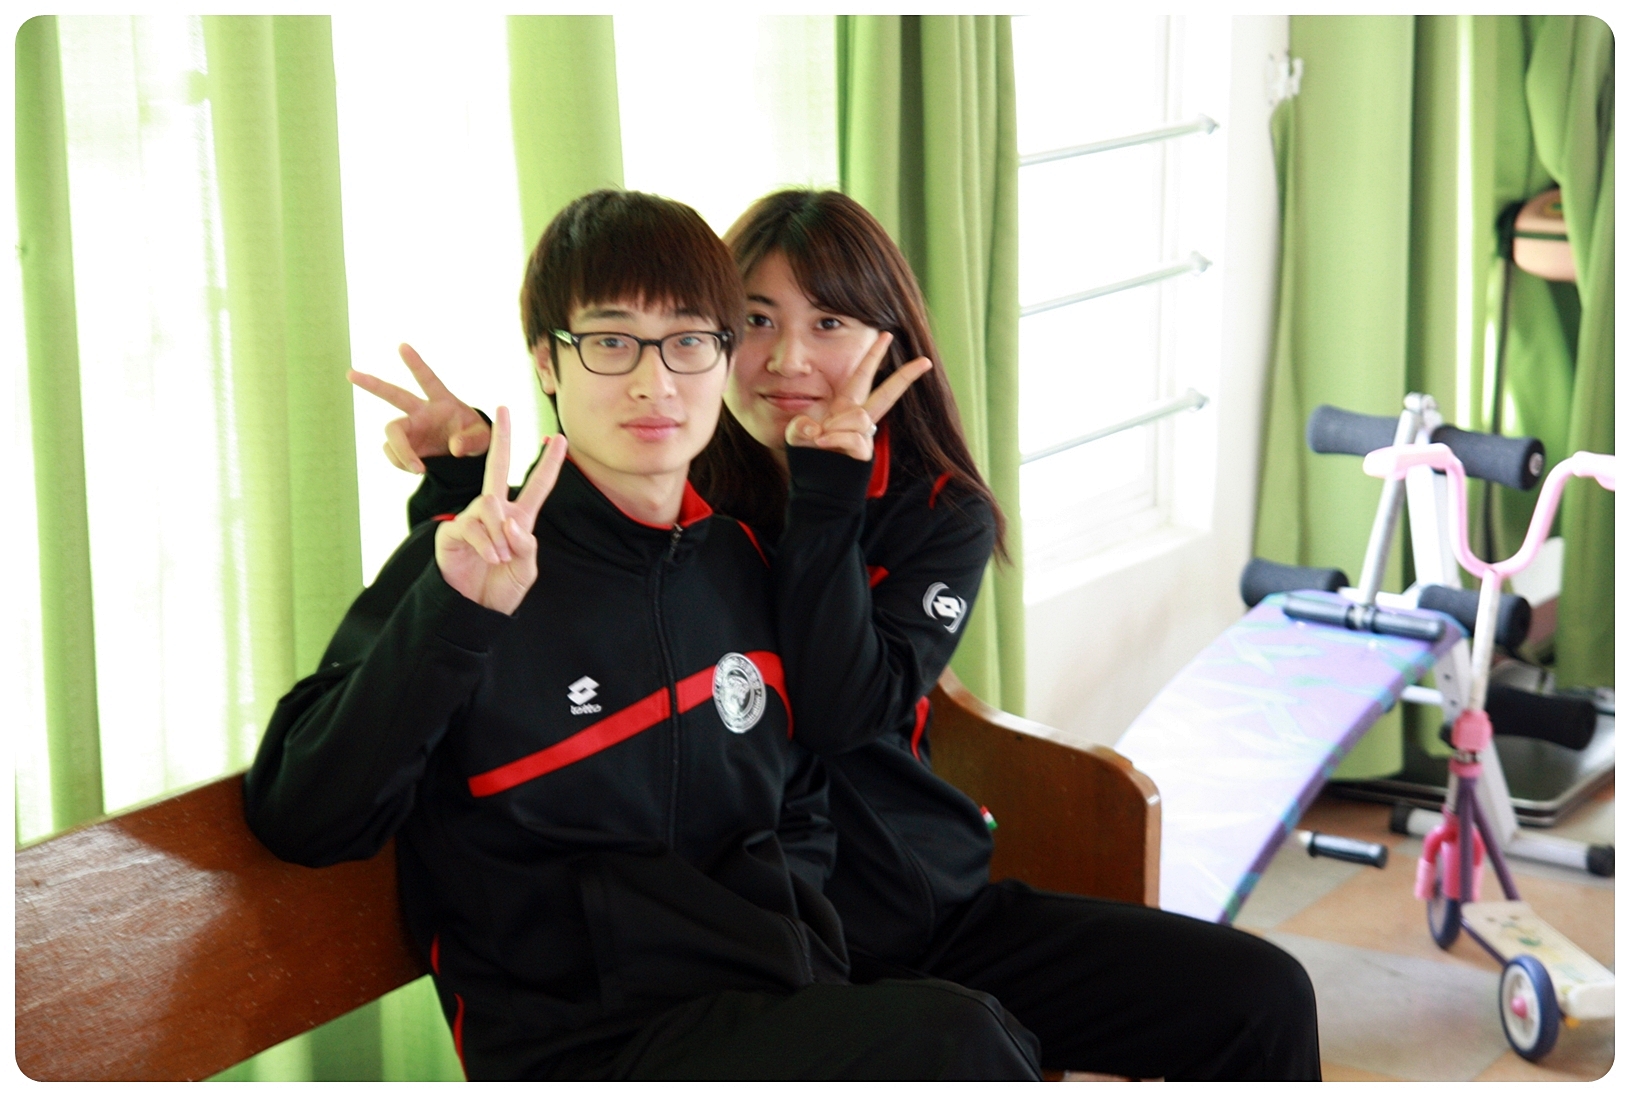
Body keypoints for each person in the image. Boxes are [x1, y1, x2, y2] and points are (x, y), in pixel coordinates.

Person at [362, 189, 1321, 1081]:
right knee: (962, 1043)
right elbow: (528, 569)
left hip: (915, 909)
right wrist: (460, 475)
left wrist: (829, 498)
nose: (789, 359)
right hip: (753, 948)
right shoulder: (678, 473)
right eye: (759, 321)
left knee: (1260, 994)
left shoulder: (934, 509)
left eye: (829, 323)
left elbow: (842, 711)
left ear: (888, 338)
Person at [244, 189, 1042, 1082]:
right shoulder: (470, 569)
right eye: (612, 342)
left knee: (975, 1033)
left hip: (765, 1013)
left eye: (689, 342)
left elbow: (800, 799)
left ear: (723, 358)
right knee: (960, 1040)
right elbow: (304, 815)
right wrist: (454, 613)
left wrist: (802, 965)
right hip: (582, 1052)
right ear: (548, 362)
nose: (654, 382)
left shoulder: (739, 559)